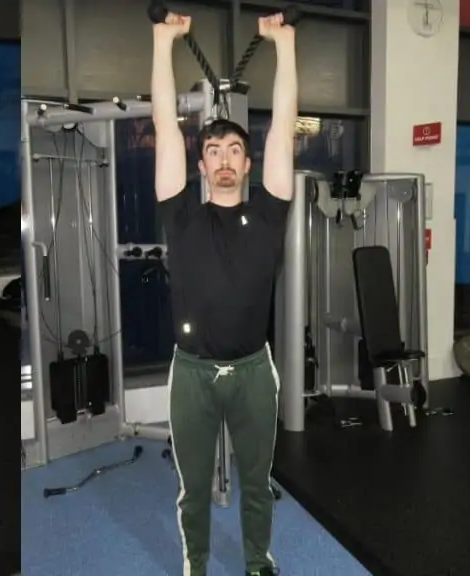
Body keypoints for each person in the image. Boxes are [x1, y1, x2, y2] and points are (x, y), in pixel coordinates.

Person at [150, 11, 297, 576]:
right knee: (192, 490)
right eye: (214, 151)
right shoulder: (183, 214)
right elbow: (165, 125)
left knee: (257, 483)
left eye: (235, 150)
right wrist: (164, 42)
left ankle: (259, 561)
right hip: (191, 374)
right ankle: (197, 563)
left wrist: (283, 45)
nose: (225, 159)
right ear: (202, 165)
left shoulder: (268, 213)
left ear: (248, 163)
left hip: (255, 373)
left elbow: (283, 125)